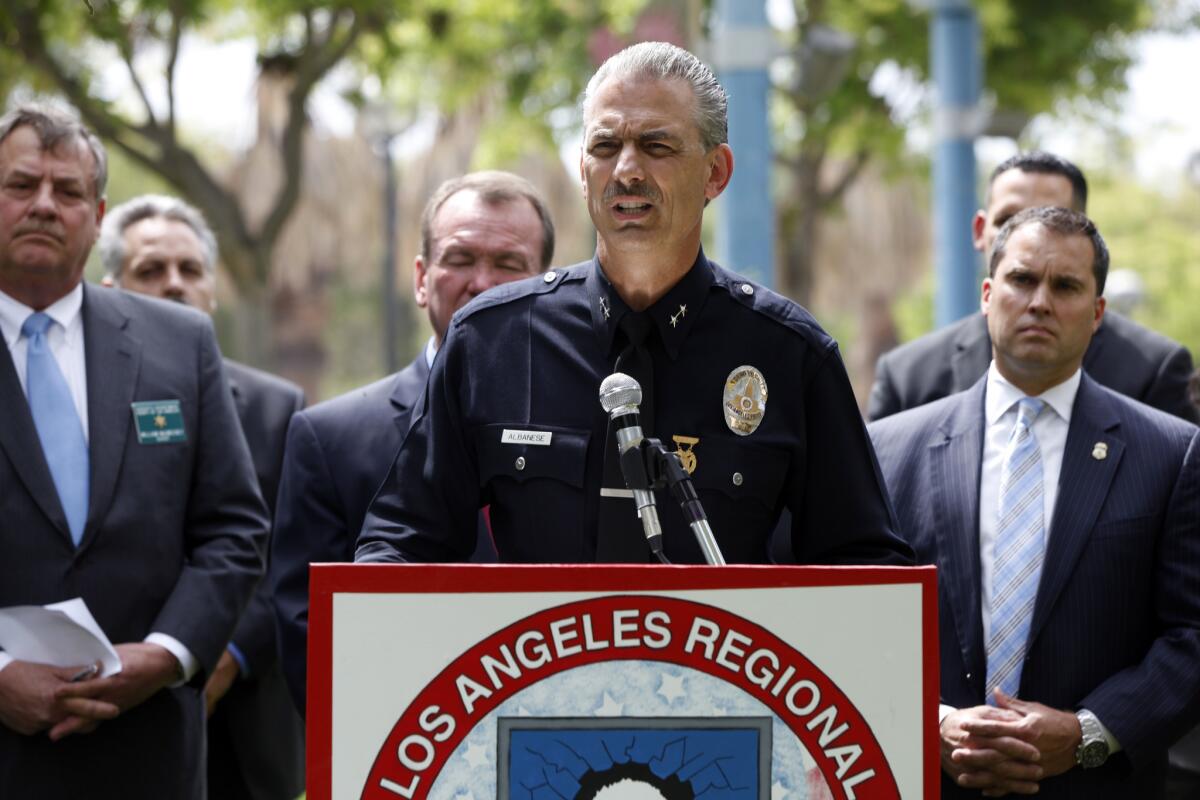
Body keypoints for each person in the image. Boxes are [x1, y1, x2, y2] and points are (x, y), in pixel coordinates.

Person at [355, 42, 912, 567]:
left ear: (715, 172)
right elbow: (399, 544)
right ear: (582, 171)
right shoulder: (492, 341)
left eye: (656, 145)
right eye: (605, 146)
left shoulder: (789, 354)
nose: (626, 170)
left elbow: (866, 568)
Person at [869, 206, 1200, 798]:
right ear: (988, 294)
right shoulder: (891, 449)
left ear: (1098, 314)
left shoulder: (1170, 455)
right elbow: (854, 618)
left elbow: (1191, 636)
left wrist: (1085, 733)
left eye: (1066, 286)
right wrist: (934, 724)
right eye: (1023, 280)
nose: (1040, 301)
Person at [0, 104, 266, 798]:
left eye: (68, 192)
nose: (44, 207)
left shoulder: (181, 343)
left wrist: (168, 654)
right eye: (21, 186)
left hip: (148, 751)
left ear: (97, 214)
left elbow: (234, 530)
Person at [270, 170, 555, 714]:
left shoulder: (602, 422)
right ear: (422, 278)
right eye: (460, 259)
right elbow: (311, 641)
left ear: (549, 285)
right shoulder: (327, 439)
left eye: (509, 264)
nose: (482, 283)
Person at [98, 195, 305, 800]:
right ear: (110, 289)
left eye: (191, 271)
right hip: (109, 708)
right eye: (151, 270)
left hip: (246, 728)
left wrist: (224, 652)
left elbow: (290, 555)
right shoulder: (79, 402)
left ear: (212, 290)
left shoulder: (278, 408)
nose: (175, 285)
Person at [868, 151, 1198, 425]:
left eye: (1052, 219)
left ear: (1086, 234)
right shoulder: (907, 378)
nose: (1029, 236)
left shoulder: (1155, 370)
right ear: (980, 230)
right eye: (1009, 219)